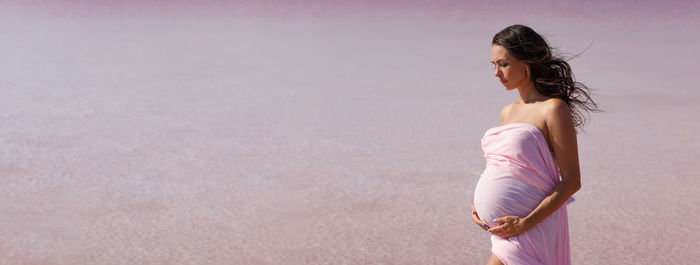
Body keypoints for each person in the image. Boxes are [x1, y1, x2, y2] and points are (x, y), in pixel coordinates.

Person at [469, 24, 601, 265]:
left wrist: (525, 223)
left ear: (526, 63)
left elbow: (572, 181)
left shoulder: (553, 109)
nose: (497, 73)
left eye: (504, 64)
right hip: (505, 230)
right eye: (494, 65)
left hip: (531, 226)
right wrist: (480, 208)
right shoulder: (507, 112)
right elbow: (506, 167)